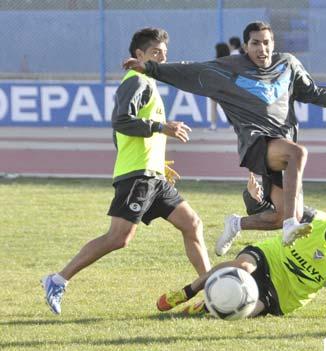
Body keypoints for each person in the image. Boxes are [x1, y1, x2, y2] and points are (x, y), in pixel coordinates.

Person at [123, 21, 326, 256]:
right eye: (255, 43)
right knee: (298, 153)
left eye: (266, 42)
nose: (261, 49)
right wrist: (149, 67)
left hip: (282, 145)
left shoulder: (288, 64)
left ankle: (236, 224)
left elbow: (313, 92)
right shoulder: (229, 68)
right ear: (245, 47)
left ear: (273, 44)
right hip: (256, 144)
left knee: (278, 216)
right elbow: (190, 71)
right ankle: (291, 223)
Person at [41, 27, 211, 315]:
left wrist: (158, 164)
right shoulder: (136, 81)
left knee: (192, 224)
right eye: (155, 53)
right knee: (119, 238)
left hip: (153, 176)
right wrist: (161, 128)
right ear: (139, 55)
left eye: (164, 54)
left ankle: (212, 290)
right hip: (138, 177)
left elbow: (125, 134)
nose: (161, 58)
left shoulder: (149, 83)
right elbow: (120, 121)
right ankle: (57, 280)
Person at [155, 196, 326, 319]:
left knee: (240, 312)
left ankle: (206, 305)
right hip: (267, 258)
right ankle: (187, 291)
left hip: (281, 297)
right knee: (242, 267)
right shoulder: (313, 219)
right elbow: (279, 210)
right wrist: (255, 196)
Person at [209, 42, 231, 131]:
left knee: (213, 106)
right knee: (230, 106)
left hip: (216, 86)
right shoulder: (230, 61)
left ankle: (213, 125)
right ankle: (232, 125)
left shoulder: (215, 61)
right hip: (227, 86)